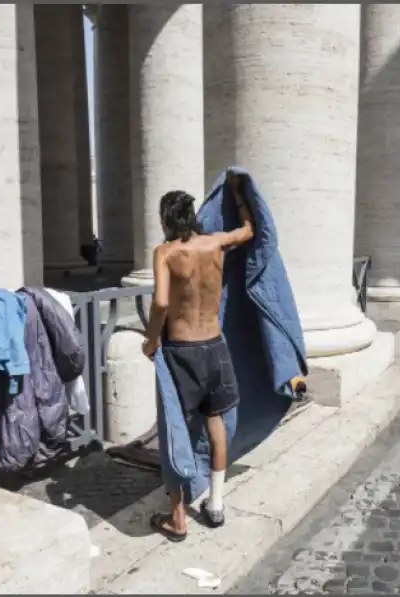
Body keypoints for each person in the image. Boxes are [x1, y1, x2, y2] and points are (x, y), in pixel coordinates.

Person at [141, 170, 255, 542]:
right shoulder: (215, 243)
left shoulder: (166, 253)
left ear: (165, 220)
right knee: (216, 423)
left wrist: (150, 340)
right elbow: (249, 231)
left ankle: (178, 519)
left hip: (182, 350)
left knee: (177, 427)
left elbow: (160, 302)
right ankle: (216, 505)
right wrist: (238, 196)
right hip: (215, 345)